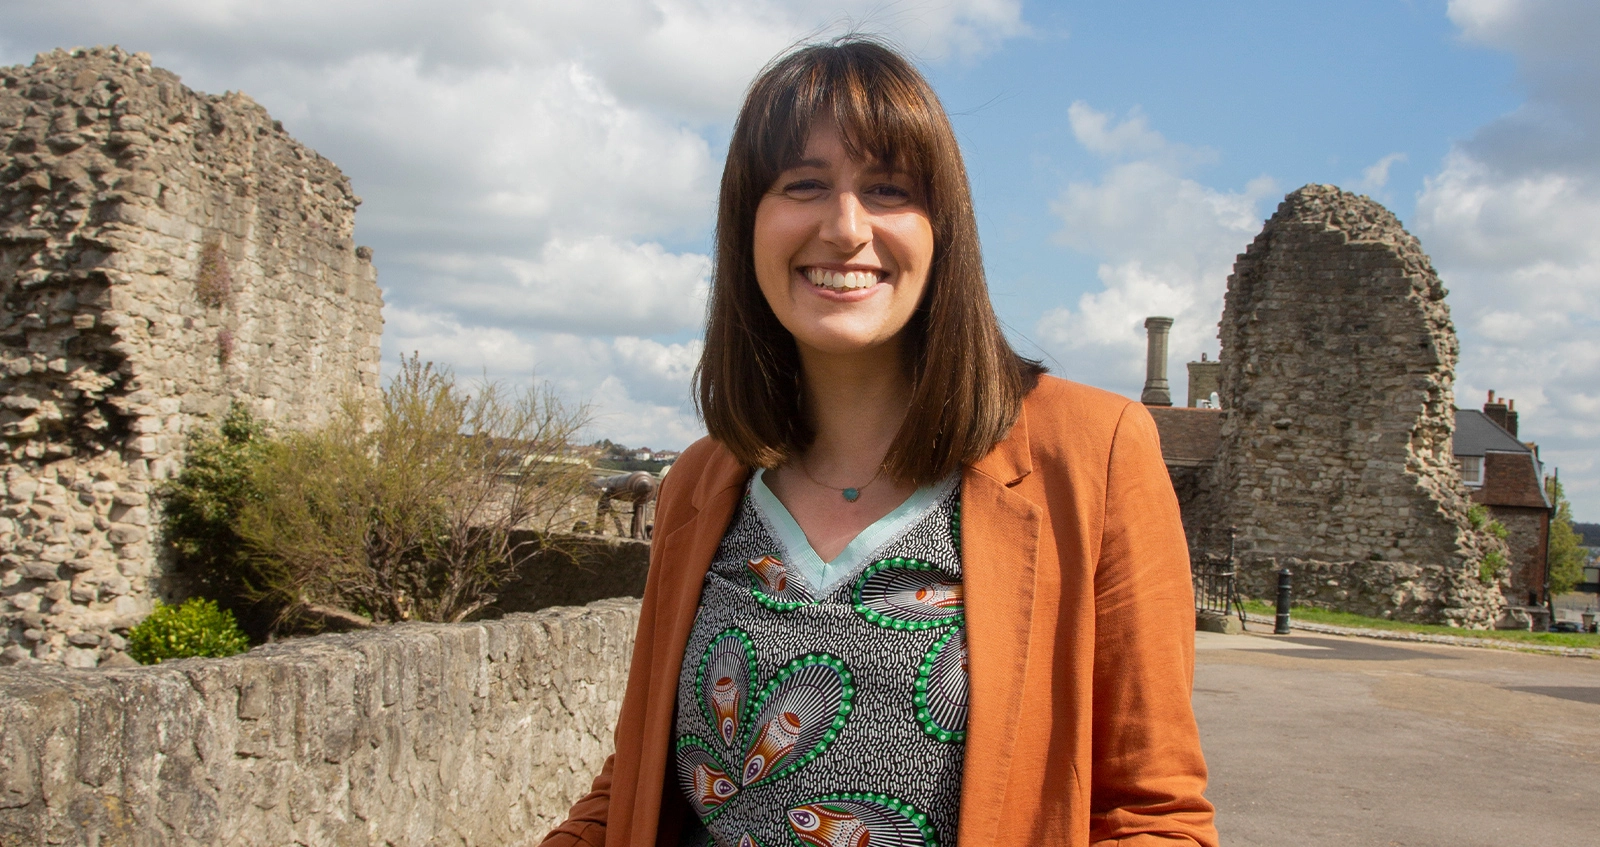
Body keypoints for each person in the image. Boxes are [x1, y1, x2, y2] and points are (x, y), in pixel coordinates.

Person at [542, 37, 1217, 847]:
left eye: (889, 189)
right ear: (748, 224)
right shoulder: (701, 482)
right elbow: (630, 787)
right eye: (805, 185)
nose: (845, 226)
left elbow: (1152, 815)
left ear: (943, 231)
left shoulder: (1094, 453)